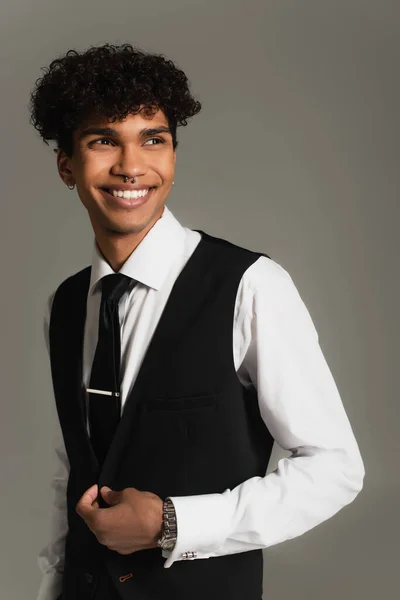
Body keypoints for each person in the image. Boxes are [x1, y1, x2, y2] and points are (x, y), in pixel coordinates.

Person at [29, 43, 365, 600]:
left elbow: (335, 468)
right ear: (67, 164)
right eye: (103, 141)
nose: (131, 165)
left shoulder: (250, 286)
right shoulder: (65, 305)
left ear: (174, 158)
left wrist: (172, 523)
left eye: (152, 139)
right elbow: (76, 468)